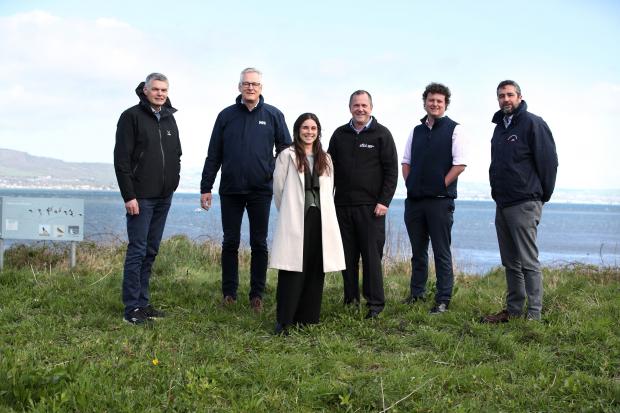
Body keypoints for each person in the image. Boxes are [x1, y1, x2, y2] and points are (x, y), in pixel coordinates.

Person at [200, 67, 291, 312]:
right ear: (239, 87)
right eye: (246, 83)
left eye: (255, 84)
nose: (251, 87)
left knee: (259, 243)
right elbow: (213, 153)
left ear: (261, 88)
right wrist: (205, 187)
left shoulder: (273, 115)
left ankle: (256, 295)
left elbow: (286, 149)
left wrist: (270, 168)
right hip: (230, 190)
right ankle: (229, 293)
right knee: (230, 242)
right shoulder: (225, 116)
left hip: (261, 190)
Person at [481, 80, 558, 323]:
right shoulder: (499, 128)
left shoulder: (533, 123)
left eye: (510, 95)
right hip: (502, 204)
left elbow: (549, 163)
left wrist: (541, 196)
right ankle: (514, 311)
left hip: (524, 202)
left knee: (527, 261)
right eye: (501, 96)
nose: (506, 99)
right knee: (510, 262)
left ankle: (534, 314)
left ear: (520, 96)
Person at [114, 73, 182, 325]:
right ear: (145, 90)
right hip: (140, 198)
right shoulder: (131, 117)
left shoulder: (169, 118)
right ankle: (131, 308)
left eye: (164, 90)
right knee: (137, 250)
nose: (160, 94)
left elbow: (177, 153)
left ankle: (143, 302)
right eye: (155, 89)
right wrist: (129, 195)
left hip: (164, 196)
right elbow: (121, 160)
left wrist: (173, 183)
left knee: (151, 251)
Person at [270, 113, 346, 334]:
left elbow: (329, 189)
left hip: (320, 219)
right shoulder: (287, 155)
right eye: (305, 127)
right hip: (295, 218)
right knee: (292, 270)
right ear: (298, 130)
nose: (309, 132)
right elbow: (279, 188)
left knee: (315, 268)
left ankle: (308, 318)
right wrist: (288, 213)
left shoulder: (326, 158)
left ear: (318, 131)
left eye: (313, 128)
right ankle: (284, 320)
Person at [328, 90, 398, 319]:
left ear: (371, 107)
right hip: (342, 207)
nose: (360, 109)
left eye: (364, 105)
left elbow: (391, 171)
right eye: (356, 105)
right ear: (350, 107)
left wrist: (384, 202)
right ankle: (351, 300)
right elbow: (328, 171)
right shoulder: (339, 135)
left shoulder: (382, 135)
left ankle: (375, 305)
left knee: (371, 259)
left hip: (372, 209)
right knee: (346, 258)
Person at [401, 83, 467, 314]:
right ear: (425, 102)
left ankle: (443, 299)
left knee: (441, 252)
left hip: (440, 201)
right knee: (418, 252)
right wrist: (409, 184)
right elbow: (406, 162)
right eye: (431, 100)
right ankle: (417, 294)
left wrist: (440, 185)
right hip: (415, 201)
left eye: (439, 101)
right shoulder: (416, 131)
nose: (435, 104)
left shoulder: (454, 129)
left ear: (445, 104)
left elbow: (459, 164)